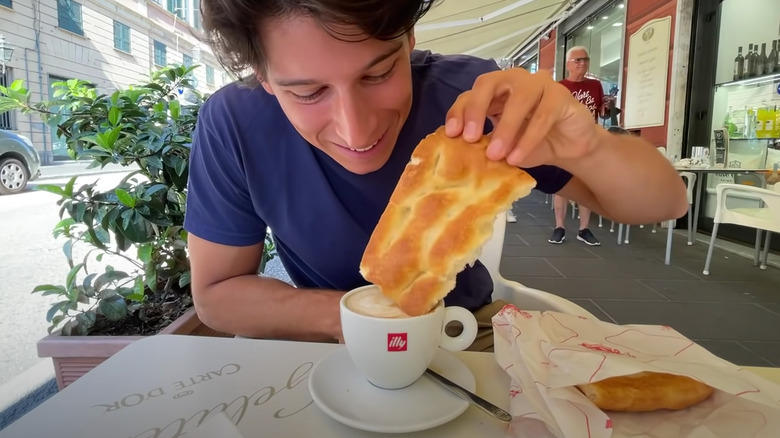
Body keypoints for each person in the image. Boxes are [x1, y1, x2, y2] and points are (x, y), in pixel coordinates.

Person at [184, 0, 688, 344]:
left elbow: (666, 203)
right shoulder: (234, 123)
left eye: (378, 73)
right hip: (322, 339)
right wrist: (367, 320)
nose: (355, 130)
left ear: (408, 39)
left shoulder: (474, 99)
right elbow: (216, 295)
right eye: (308, 92)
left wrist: (589, 146)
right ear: (264, 79)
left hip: (466, 330)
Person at [548, 46, 606, 246]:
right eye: (578, 60)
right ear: (568, 64)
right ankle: (559, 227)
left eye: (586, 59)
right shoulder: (559, 87)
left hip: (588, 143)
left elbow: (602, 112)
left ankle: (584, 229)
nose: (583, 63)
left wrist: (609, 107)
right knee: (562, 187)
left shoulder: (596, 85)